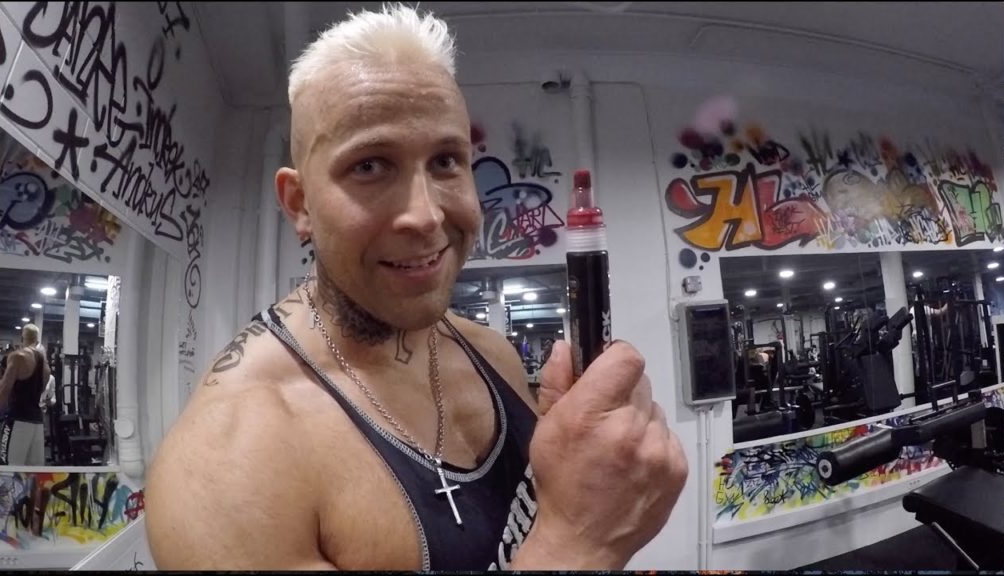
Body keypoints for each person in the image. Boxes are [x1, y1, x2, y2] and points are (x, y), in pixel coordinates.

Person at [145, 4, 687, 570]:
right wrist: (579, 543)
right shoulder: (226, 466)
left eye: (446, 160)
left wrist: (573, 467)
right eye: (370, 166)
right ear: (299, 204)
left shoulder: (491, 353)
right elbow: (569, 537)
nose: (426, 216)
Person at [0, 324, 50, 465]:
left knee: (9, 470)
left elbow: (4, 388)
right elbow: (40, 390)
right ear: (37, 339)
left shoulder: (18, 356)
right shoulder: (45, 365)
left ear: (22, 338)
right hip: (37, 423)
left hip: (17, 420)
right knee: (33, 472)